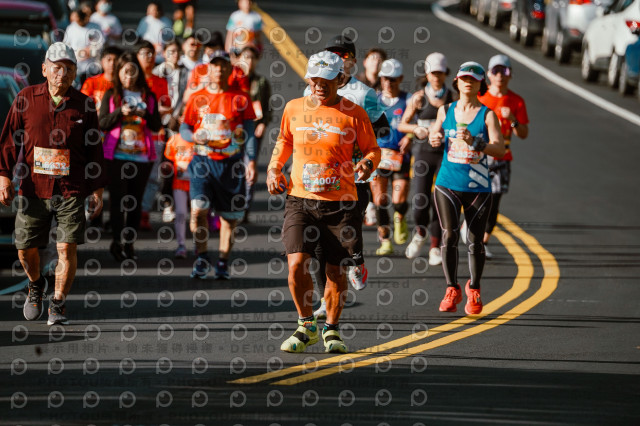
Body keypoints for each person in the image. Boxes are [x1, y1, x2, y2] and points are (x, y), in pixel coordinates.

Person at [267, 51, 380, 353]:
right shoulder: (294, 108)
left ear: (340, 79)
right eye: (314, 79)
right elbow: (284, 140)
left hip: (341, 204)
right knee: (296, 265)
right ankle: (306, 325)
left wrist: (367, 164)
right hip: (300, 199)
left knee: (335, 271)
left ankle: (331, 329)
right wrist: (274, 168)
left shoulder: (354, 113)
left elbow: (373, 149)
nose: (319, 85)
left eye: (326, 80)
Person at [0, 42, 107, 325]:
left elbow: (95, 150)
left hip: (72, 188)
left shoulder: (85, 105)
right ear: (44, 69)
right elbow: (9, 140)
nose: (63, 74)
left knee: (66, 248)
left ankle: (58, 304)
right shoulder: (25, 98)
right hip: (34, 188)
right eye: (57, 68)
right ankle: (36, 284)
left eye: (69, 68)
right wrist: (4, 176)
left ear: (75, 73)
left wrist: (97, 191)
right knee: (25, 249)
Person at [309, 35, 389, 318]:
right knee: (319, 244)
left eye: (344, 56)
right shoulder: (313, 91)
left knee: (346, 233)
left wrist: (356, 139)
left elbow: (383, 128)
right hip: (320, 178)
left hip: (355, 178)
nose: (338, 60)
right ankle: (324, 300)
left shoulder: (364, 93)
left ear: (353, 62)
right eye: (333, 54)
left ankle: (356, 260)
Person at [428, 62, 505, 315]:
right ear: (457, 82)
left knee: (474, 241)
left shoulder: (487, 115)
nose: (468, 83)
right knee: (449, 235)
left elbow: (499, 149)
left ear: (481, 84)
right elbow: (434, 135)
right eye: (464, 79)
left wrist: (476, 142)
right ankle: (452, 288)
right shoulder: (445, 110)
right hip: (447, 183)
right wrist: (434, 138)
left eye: (473, 79)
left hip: (477, 187)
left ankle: (474, 288)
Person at [179, 50, 256, 280]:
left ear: (230, 69)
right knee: (198, 210)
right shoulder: (197, 97)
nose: (219, 70)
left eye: (223, 65)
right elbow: (184, 127)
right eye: (215, 65)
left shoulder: (241, 98)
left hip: (230, 165)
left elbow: (249, 132)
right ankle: (202, 257)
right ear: (208, 68)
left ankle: (222, 262)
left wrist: (251, 160)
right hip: (202, 162)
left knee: (229, 218)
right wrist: (193, 137)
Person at [98, 52, 162, 262]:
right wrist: (120, 112)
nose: (129, 76)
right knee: (117, 201)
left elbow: (157, 125)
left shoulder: (148, 96)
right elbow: (102, 123)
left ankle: (129, 244)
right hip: (116, 157)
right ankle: (117, 241)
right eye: (125, 72)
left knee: (135, 202)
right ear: (118, 73)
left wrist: (145, 114)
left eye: (132, 72)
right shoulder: (112, 94)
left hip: (142, 158)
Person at [399, 52, 457, 266]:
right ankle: (420, 232)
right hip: (423, 153)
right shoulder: (419, 98)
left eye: (440, 73)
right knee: (420, 200)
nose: (436, 77)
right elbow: (402, 124)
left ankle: (435, 246)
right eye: (433, 73)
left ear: (445, 73)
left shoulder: (453, 98)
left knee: (440, 201)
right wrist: (416, 129)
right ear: (427, 73)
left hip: (445, 154)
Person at [476, 54, 529, 259]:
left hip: (502, 157)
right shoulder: (480, 98)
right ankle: (469, 228)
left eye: (504, 71)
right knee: (476, 198)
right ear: (489, 74)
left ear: (510, 75)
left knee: (494, 201)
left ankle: (483, 242)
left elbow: (523, 134)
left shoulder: (516, 101)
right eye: (496, 71)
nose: (500, 76)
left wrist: (513, 119)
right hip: (480, 156)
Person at [371, 58, 412, 256]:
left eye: (393, 79)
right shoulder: (373, 101)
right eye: (385, 78)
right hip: (379, 156)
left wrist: (410, 137)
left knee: (399, 200)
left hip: (400, 156)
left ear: (400, 79)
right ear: (381, 79)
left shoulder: (408, 100)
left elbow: (417, 123)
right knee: (380, 200)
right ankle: (385, 240)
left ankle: (400, 216)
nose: (389, 82)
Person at [232, 44, 271, 222]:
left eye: (252, 58)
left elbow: (267, 107)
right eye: (245, 57)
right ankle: (231, 205)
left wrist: (263, 124)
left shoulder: (261, 82)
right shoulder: (232, 79)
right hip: (233, 131)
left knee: (250, 167)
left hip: (253, 130)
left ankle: (245, 208)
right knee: (234, 167)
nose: (248, 61)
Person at [136, 41, 172, 231]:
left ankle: (144, 212)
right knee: (132, 176)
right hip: (133, 136)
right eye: (144, 53)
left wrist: (155, 111)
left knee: (153, 177)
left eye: (151, 54)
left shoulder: (160, 82)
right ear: (136, 57)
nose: (148, 58)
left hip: (155, 135)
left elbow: (166, 108)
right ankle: (130, 212)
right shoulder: (131, 80)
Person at [163, 133, 194, 258]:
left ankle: (200, 246)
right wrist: (167, 167)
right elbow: (167, 160)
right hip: (179, 183)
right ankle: (181, 245)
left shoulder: (201, 138)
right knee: (181, 213)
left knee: (197, 215)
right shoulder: (174, 139)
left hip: (197, 184)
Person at [63, 8, 105, 85]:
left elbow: (101, 43)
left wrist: (90, 52)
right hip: (77, 68)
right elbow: (66, 46)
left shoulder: (95, 27)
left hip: (92, 67)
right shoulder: (71, 28)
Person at [81, 45, 123, 109]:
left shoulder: (123, 83)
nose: (112, 63)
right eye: (109, 60)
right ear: (102, 62)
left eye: (116, 60)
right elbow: (82, 104)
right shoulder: (91, 82)